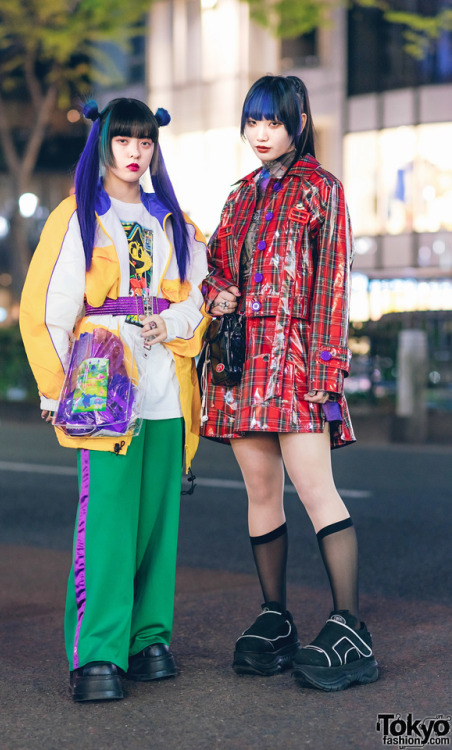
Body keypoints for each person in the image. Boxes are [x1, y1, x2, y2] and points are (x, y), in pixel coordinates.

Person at [20, 98, 209, 702]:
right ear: (103, 142)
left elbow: (200, 296)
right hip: (102, 379)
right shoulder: (76, 217)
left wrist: (174, 323)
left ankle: (149, 639)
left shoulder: (174, 221)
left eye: (145, 142)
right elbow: (47, 309)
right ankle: (98, 652)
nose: (135, 153)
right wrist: (56, 389)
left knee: (158, 518)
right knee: (106, 520)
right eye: (124, 141)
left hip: (164, 380)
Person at [199, 75, 378, 691]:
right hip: (243, 363)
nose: (259, 133)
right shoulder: (239, 195)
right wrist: (215, 292)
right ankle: (276, 618)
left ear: (298, 122)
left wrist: (328, 372)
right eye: (251, 122)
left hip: (298, 362)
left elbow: (332, 286)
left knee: (315, 488)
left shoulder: (322, 190)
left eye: (271, 122)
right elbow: (216, 264)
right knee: (260, 490)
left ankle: (351, 628)